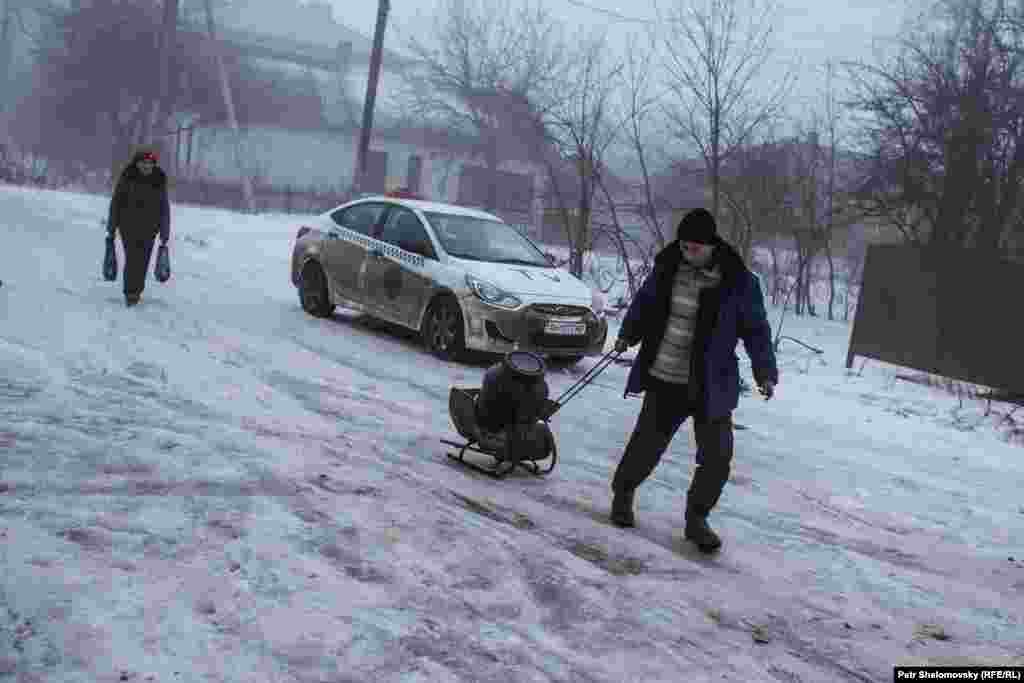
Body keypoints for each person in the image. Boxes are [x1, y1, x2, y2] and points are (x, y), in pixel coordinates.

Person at [609, 208, 778, 553]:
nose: (688, 253)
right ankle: (623, 494)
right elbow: (645, 304)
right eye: (684, 247)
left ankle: (697, 519)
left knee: (716, 457)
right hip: (665, 377)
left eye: (695, 249)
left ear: (711, 245)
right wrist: (629, 333)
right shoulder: (668, 267)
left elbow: (757, 331)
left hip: (710, 384)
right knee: (646, 446)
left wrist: (765, 372)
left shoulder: (739, 281)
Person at [107, 149, 170, 306]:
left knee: (143, 260)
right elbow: (116, 203)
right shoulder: (128, 178)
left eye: (150, 163)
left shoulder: (159, 180)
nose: (146, 166)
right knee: (133, 258)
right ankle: (130, 292)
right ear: (136, 164)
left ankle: (137, 290)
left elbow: (164, 208)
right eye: (143, 163)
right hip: (128, 226)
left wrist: (164, 231)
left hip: (150, 228)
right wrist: (112, 226)